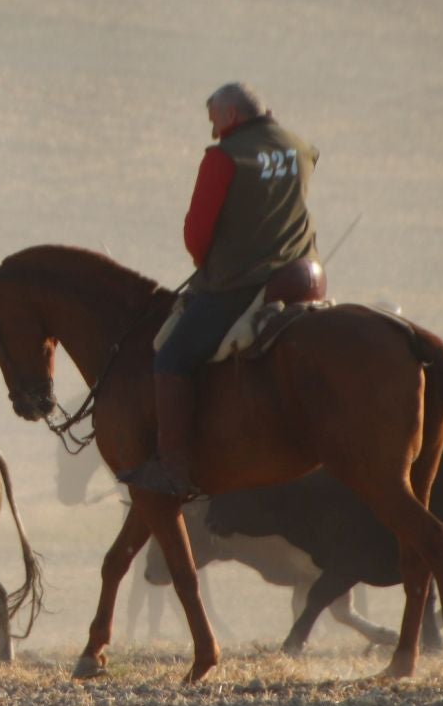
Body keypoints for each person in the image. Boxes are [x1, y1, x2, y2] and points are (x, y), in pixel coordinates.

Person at [120, 82, 319, 500]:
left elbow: (197, 235)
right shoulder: (300, 147)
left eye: (213, 119)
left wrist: (206, 263)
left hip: (243, 284)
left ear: (230, 116)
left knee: (172, 356)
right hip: (305, 277)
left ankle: (173, 466)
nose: (212, 130)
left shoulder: (224, 157)